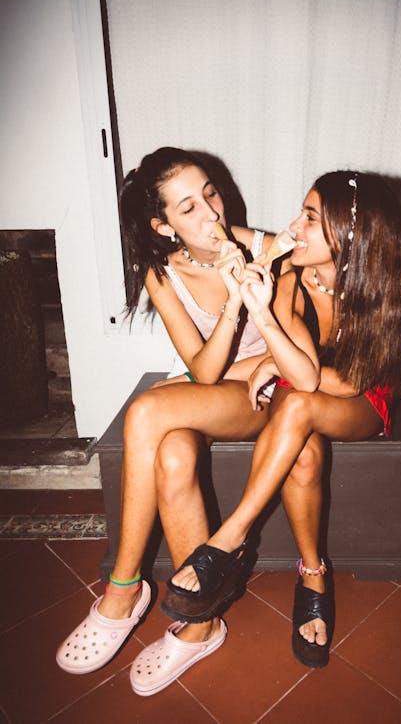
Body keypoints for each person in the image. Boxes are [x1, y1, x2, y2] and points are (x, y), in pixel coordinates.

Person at [56, 146, 325, 694]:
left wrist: (257, 355)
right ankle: (201, 624)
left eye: (211, 194)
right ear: (164, 226)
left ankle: (123, 589)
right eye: (188, 209)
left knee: (149, 408)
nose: (211, 215)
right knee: (172, 449)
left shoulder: (267, 250)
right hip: (220, 391)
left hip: (271, 398)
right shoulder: (161, 272)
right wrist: (231, 302)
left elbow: (297, 347)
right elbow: (204, 369)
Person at [163, 170, 401, 669]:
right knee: (302, 439)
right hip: (307, 395)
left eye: (309, 218)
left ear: (349, 234)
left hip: (363, 399)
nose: (292, 227)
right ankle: (313, 574)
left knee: (298, 401)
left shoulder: (391, 288)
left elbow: (348, 382)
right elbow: (302, 374)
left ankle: (229, 537)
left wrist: (272, 363)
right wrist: (262, 321)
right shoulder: (290, 281)